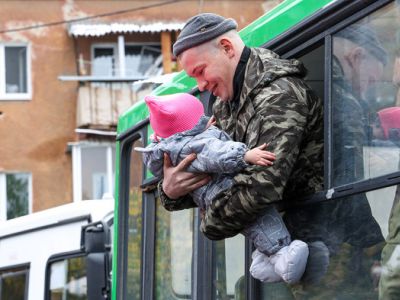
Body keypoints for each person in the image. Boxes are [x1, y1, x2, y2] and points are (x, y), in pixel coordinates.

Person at [156, 12, 328, 284]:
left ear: (226, 47)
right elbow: (211, 173)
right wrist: (170, 191)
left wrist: (209, 223)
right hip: (284, 253)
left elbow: (260, 187)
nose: (201, 85)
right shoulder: (225, 105)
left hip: (328, 253)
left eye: (200, 71)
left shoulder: (279, 95)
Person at [136, 92, 309, 284]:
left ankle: (264, 258)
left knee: (256, 226)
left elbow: (193, 142)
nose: (202, 85)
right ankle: (283, 257)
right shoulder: (197, 144)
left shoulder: (169, 145)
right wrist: (245, 155)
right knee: (262, 220)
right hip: (229, 190)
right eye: (196, 118)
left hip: (218, 197)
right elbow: (215, 153)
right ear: (188, 127)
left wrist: (203, 128)